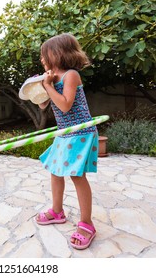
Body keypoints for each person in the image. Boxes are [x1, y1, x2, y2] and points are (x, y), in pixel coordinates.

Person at [35, 33, 98, 250]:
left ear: (58, 54)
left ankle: (87, 224)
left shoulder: (71, 75)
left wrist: (50, 86)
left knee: (76, 175)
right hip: (65, 132)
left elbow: (64, 105)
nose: (42, 59)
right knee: (55, 171)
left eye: (45, 55)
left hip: (80, 132)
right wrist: (43, 87)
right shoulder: (52, 79)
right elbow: (44, 105)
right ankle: (56, 211)